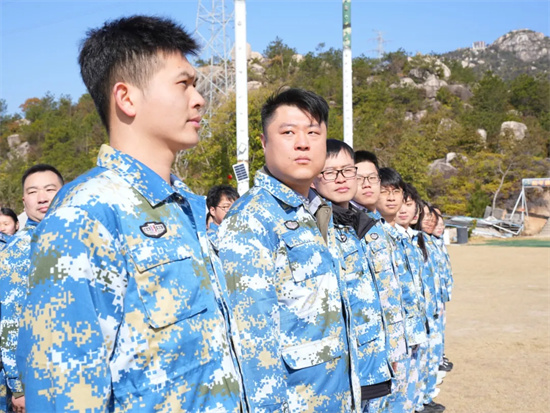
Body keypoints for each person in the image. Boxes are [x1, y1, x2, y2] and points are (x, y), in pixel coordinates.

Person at [16, 16, 246, 413]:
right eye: (183, 84)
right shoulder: (85, 217)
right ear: (126, 98)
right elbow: (64, 394)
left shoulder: (183, 206)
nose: (199, 99)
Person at [217, 88, 361, 412]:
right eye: (288, 132)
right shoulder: (251, 219)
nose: (302, 143)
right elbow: (252, 341)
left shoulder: (317, 211)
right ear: (264, 143)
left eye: (313, 132)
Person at [312, 139, 392, 412]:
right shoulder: (314, 226)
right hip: (339, 366)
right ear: (314, 178)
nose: (341, 179)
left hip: (372, 358)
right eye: (329, 172)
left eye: (347, 170)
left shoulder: (362, 224)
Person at [0, 164, 64, 413]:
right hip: (41, 378)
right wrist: (19, 386)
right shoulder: (18, 251)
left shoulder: (81, 238)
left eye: (50, 189)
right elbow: (9, 321)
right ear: (24, 201)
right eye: (33, 191)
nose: (42, 197)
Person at [351, 151, 407, 413]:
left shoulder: (377, 225)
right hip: (363, 353)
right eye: (359, 178)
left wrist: (394, 347)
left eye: (372, 178)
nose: (367, 184)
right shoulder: (346, 226)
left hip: (385, 347)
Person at [375, 168, 427, 413]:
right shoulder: (374, 235)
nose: (391, 197)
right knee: (392, 400)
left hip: (412, 330)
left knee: (407, 395)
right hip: (391, 337)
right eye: (384, 191)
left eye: (396, 191)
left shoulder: (404, 238)